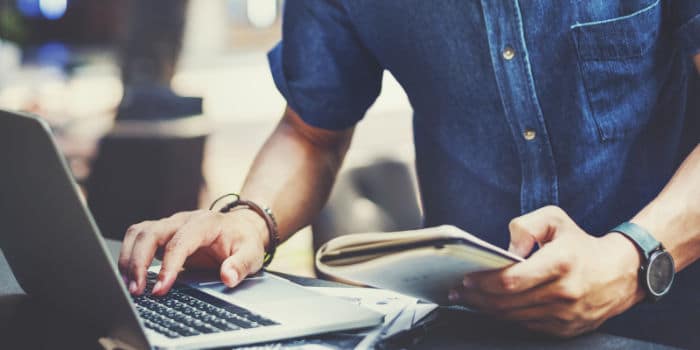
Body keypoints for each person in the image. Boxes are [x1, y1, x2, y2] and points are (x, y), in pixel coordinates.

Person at [118, 1, 700, 346]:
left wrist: (633, 259)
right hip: (466, 329)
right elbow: (310, 132)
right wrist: (248, 220)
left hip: (667, 323)